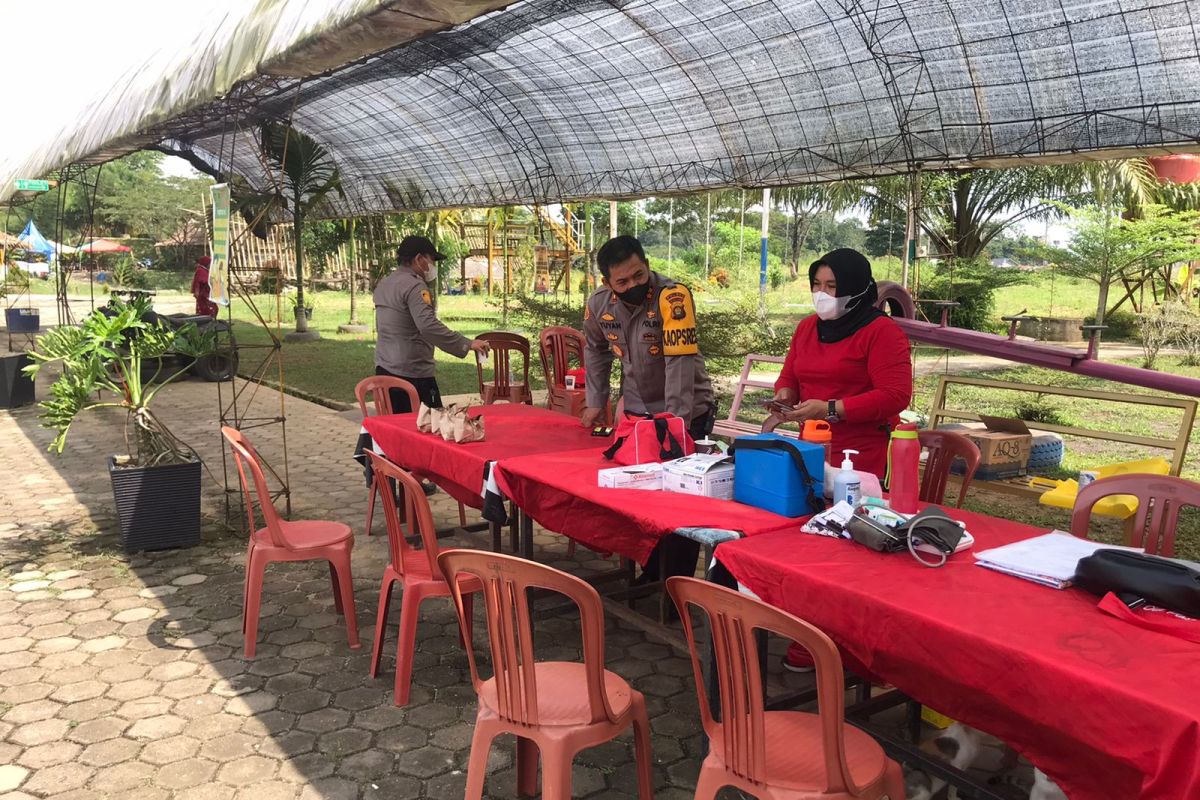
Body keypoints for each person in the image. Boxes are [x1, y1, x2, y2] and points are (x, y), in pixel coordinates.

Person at [772, 247, 913, 670]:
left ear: (854, 287)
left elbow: (894, 395)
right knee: (804, 535)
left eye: (832, 287)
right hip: (810, 447)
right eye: (816, 285)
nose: (822, 294)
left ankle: (848, 639)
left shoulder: (881, 332)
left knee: (849, 546)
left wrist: (831, 408)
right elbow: (790, 375)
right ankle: (807, 627)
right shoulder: (807, 329)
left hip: (863, 454)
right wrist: (784, 398)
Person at [582, 235, 716, 581]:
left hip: (686, 412)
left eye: (639, 275)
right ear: (607, 283)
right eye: (622, 281)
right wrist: (597, 401)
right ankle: (651, 570)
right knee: (643, 497)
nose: (633, 286)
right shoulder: (599, 304)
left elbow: (679, 365)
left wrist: (675, 425)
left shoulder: (673, 297)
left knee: (679, 499)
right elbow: (595, 349)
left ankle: (675, 584)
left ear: (647, 265)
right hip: (639, 415)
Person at [373, 235, 491, 413]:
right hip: (412, 375)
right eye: (432, 260)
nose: (433, 266)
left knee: (396, 431)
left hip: (384, 370)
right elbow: (428, 326)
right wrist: (467, 343)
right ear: (419, 259)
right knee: (430, 428)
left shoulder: (385, 283)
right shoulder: (415, 286)